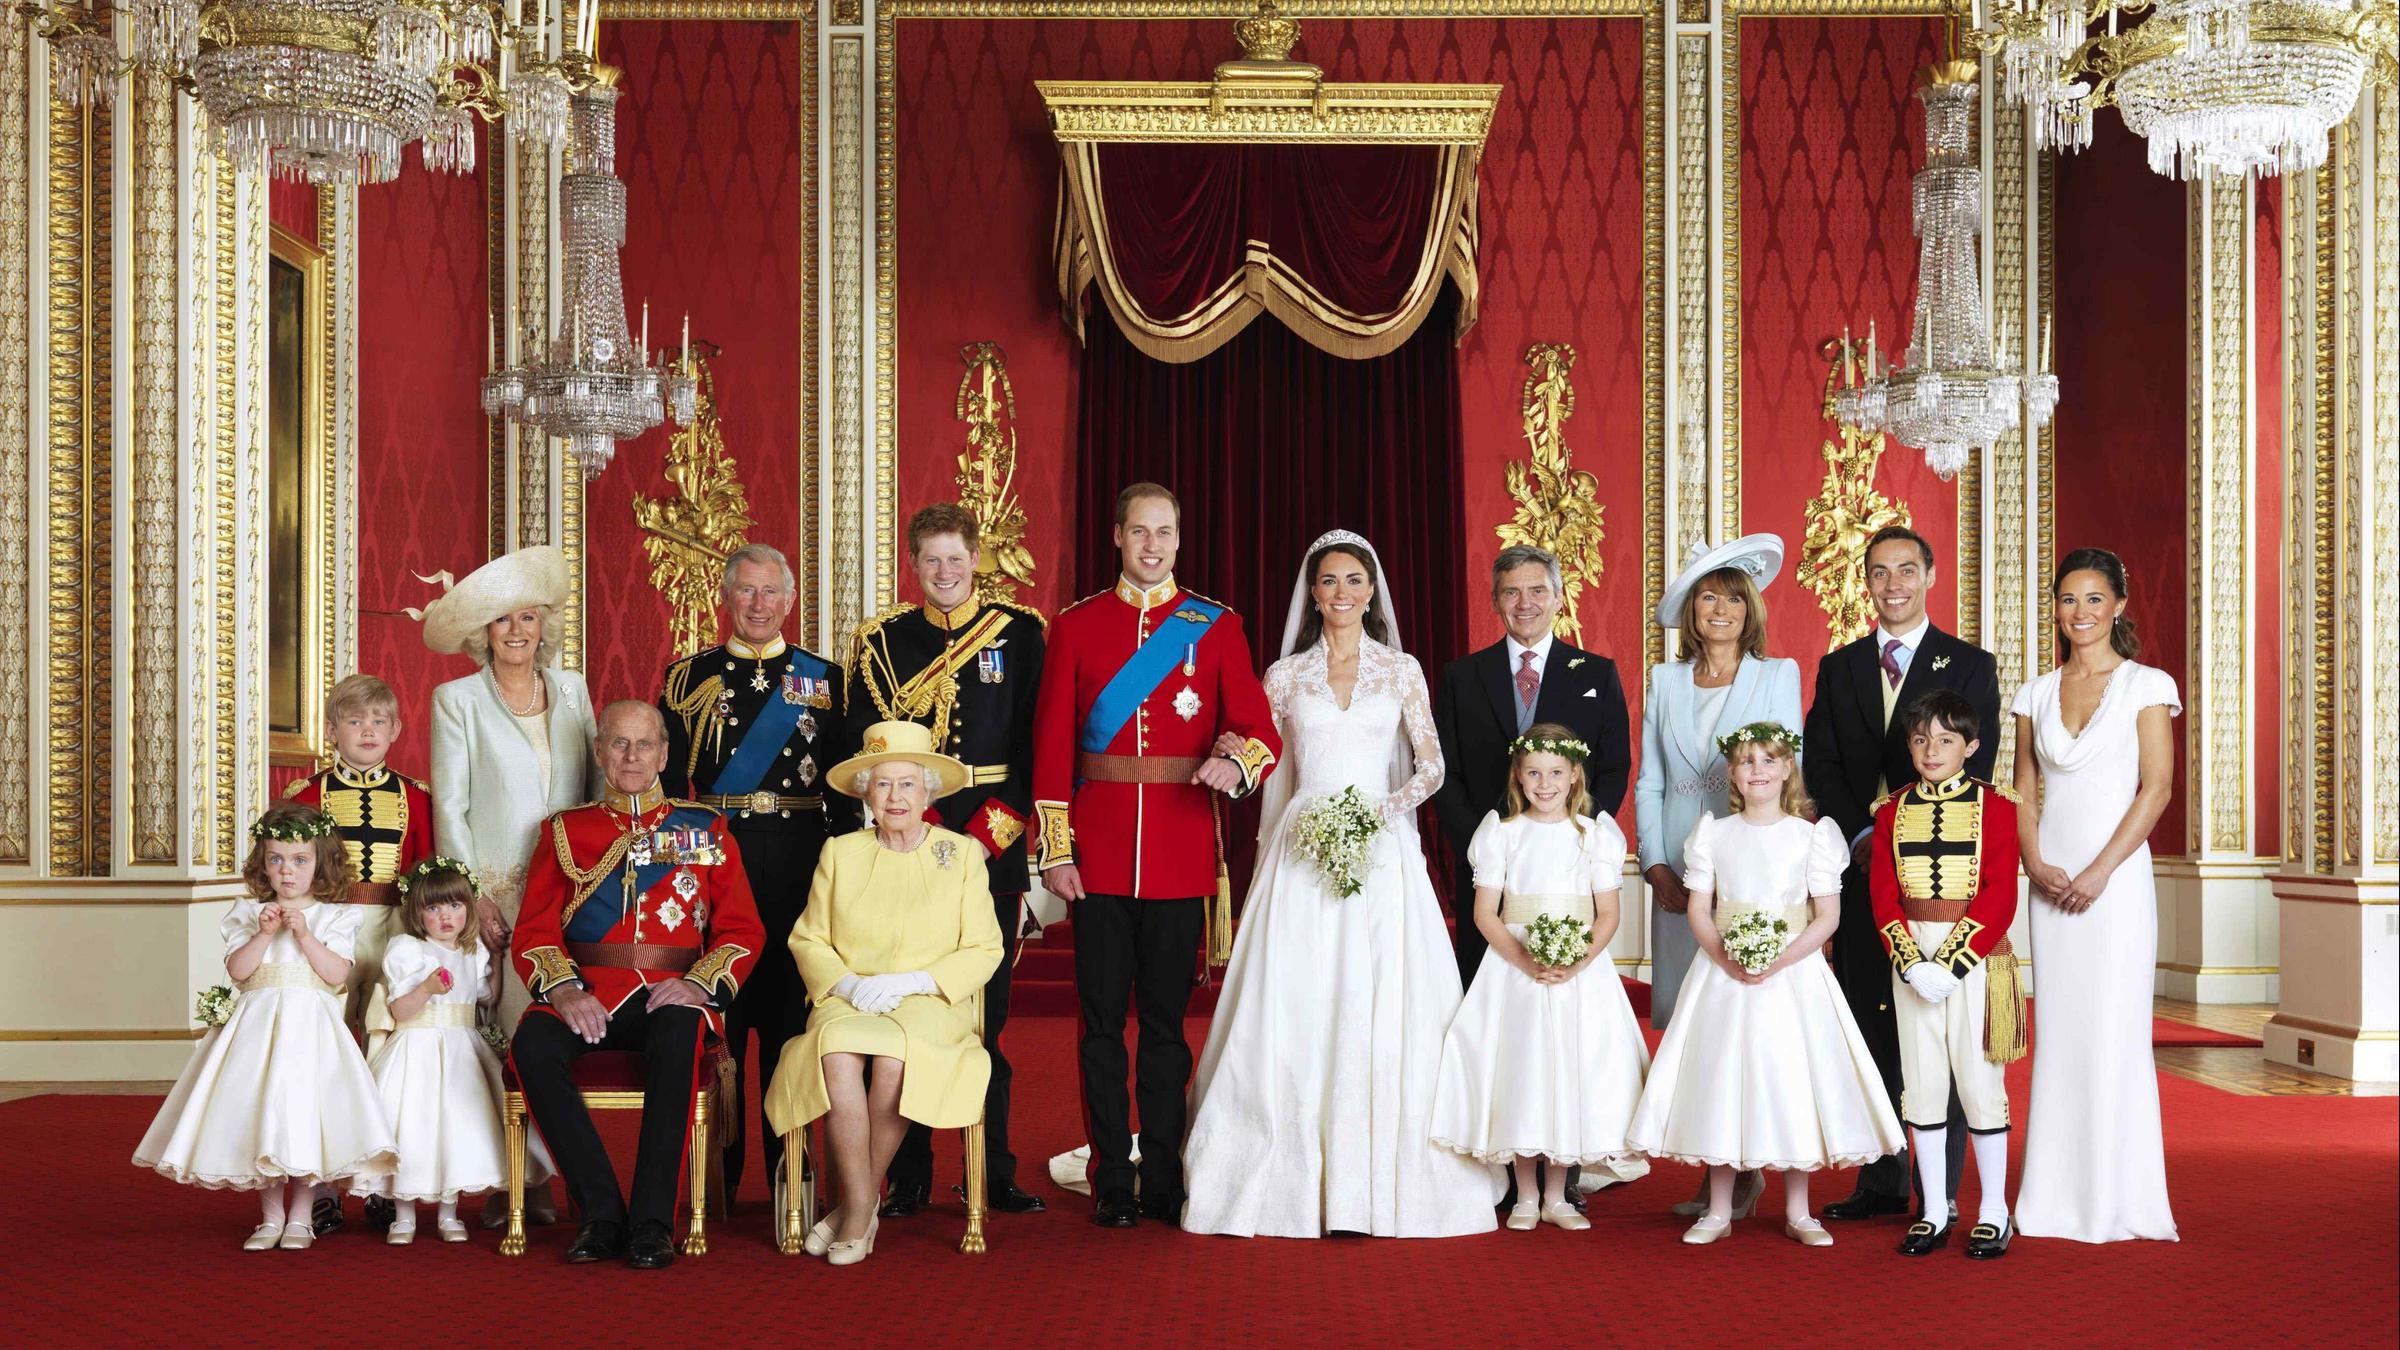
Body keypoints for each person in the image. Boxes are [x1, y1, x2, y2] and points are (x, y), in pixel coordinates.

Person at [1181, 530, 1500, 1238]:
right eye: (1329, 581)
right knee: (1296, 998)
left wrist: (1377, 813)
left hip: (1382, 848)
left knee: (1379, 999)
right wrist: (1234, 752)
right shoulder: (1285, 675)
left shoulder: (1403, 670)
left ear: (1372, 590)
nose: (1342, 593)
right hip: (1302, 848)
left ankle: (1382, 1181)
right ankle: (1283, 1178)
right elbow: (1264, 758)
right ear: (1313, 592)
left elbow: (1432, 766)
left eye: (1354, 580)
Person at [1031, 482, 1281, 1228]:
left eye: (1164, 533)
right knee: (1102, 1028)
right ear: (1117, 537)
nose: (1152, 546)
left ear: (1178, 539)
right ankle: (1112, 1178)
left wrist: (1235, 764)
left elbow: (1259, 730)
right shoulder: (1077, 626)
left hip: (1177, 856)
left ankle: (1165, 1176)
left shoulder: (1218, 626)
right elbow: (1049, 746)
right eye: (1139, 532)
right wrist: (1054, 849)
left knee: (1169, 1030)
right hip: (1098, 857)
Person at [508, 701, 766, 1270]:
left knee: (678, 1036)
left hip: (673, 992)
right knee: (533, 1043)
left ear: (664, 754)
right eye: (618, 744)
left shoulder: (704, 827)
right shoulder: (566, 831)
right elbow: (534, 931)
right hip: (588, 991)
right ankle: (601, 1213)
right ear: (599, 751)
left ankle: (652, 1223)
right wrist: (567, 991)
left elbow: (742, 928)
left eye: (643, 745)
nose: (631, 756)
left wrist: (699, 985)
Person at [1626, 723, 1904, 1248]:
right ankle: (1720, 1207)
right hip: (1723, 975)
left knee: (1791, 1080)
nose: (1759, 771)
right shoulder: (1714, 833)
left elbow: (1826, 917)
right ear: (1731, 772)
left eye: (1769, 761)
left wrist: (1778, 960)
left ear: (1787, 771)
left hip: (1792, 976)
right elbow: (1699, 909)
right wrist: (1725, 956)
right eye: (1748, 762)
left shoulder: (1811, 836)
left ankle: (1799, 1209)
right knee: (1723, 1078)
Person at [846, 504, 1048, 1219]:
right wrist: (921, 829)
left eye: (956, 560)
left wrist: (989, 835)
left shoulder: (1020, 638)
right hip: (908, 840)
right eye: (931, 560)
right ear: (913, 564)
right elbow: (868, 746)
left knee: (983, 1017)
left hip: (991, 843)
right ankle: (909, 1178)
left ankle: (991, 1169)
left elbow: (1035, 747)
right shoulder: (882, 642)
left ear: (975, 559)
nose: (945, 573)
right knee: (905, 1010)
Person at [1802, 525, 1996, 1223]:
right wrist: (1861, 833)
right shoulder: (1840, 665)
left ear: (1930, 575)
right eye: (1880, 573)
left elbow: (1977, 761)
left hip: (1937, 878)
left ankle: (1937, 1190)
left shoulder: (1970, 664)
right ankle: (1882, 1178)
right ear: (1867, 583)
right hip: (1859, 873)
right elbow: (1819, 761)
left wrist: (1899, 835)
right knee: (1870, 1021)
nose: (1893, 585)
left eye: (1906, 570)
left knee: (1936, 1023)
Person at [763, 721, 1005, 1266]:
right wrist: (848, 983)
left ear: (928, 793)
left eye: (907, 785)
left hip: (932, 1004)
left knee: (895, 1060)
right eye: (883, 785)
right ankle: (861, 1205)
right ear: (866, 793)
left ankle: (852, 1212)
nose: (895, 797)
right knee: (836, 1052)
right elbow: (809, 938)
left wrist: (914, 982)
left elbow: (985, 949)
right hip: (849, 998)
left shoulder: (960, 855)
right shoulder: (840, 852)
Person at [657, 542, 845, 1209]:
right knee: (722, 1028)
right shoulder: (688, 679)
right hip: (719, 864)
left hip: (799, 864)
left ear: (789, 600)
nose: (760, 605)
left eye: (771, 593)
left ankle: (792, 1176)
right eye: (747, 592)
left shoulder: (826, 679)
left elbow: (846, 794)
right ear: (727, 598)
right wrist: (682, 891)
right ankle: (718, 1179)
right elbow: (672, 794)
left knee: (793, 1028)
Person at [132, 803, 398, 1250]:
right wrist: (262, 934)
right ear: (263, 865)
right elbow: (239, 972)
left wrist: (305, 936)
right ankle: (270, 1217)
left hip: (312, 1033)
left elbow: (335, 975)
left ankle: (301, 1217)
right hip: (259, 1031)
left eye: (299, 860)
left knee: (305, 1115)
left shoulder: (336, 916)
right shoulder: (246, 912)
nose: (287, 871)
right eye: (276, 860)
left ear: (322, 862)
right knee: (264, 1116)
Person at [2009, 548, 2179, 1244]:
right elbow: (2022, 788)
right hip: (2049, 883)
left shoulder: (2146, 684)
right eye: (2068, 599)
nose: (2079, 613)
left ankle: (2118, 1198)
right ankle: (2050, 1198)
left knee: (2114, 1029)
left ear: (2119, 605)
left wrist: (2102, 870)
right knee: (2063, 1033)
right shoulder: (2034, 692)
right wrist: (2035, 861)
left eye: (2093, 599)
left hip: (2116, 886)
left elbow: (2157, 788)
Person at [1429, 724, 1650, 1231]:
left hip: (1579, 975)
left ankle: (1558, 1194)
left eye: (1555, 773)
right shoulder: (1501, 834)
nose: (1544, 784)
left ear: (1575, 776)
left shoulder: (1593, 836)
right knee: (1521, 1070)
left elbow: (1608, 915)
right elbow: (1487, 913)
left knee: (1570, 1070)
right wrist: (1526, 961)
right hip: (1514, 973)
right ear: (1518, 777)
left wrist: (1575, 962)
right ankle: (1525, 1193)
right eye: (1533, 773)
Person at [1870, 689, 2025, 1259]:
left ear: (1971, 746)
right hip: (1910, 962)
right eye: (1920, 739)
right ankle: (1934, 1210)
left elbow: (1999, 894)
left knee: (1982, 1087)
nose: (1931, 750)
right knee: (1924, 1084)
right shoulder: (1890, 811)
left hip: (1976, 963)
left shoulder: (1999, 806)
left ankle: (1993, 1212)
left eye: (1945, 740)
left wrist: (1952, 965)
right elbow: (1884, 895)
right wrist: (1911, 964)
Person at [1432, 544, 1632, 987]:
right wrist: (1480, 843)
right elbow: (1443, 770)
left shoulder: (1597, 674)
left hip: (1569, 864)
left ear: (1559, 597)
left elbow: (1616, 764)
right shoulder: (1462, 676)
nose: (1526, 603)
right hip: (1488, 861)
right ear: (1495, 600)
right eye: (1512, 592)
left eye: (1538, 590)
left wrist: (1581, 832)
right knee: (1486, 981)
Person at [280, 672, 436, 1234]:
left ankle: (379, 1181)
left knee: (388, 1058)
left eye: (378, 721)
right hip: (328, 932)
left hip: (394, 932)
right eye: (354, 721)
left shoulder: (417, 798)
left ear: (395, 729)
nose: (366, 731)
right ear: (333, 730)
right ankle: (320, 1184)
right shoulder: (306, 797)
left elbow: (424, 874)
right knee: (324, 1054)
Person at [424, 544, 598, 1038]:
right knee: (515, 1024)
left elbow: (596, 784)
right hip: (500, 896)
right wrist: (472, 895)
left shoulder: (572, 688)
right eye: (503, 620)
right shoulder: (458, 700)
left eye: (527, 618)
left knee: (573, 1028)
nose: (517, 631)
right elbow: (451, 809)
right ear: (485, 632)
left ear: (543, 627)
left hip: (573, 887)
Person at [1636, 536, 1801, 1028]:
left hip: (1753, 858)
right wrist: (1655, 864)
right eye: (1709, 596)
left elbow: (1794, 770)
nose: (1721, 609)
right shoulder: (1664, 680)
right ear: (1692, 610)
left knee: (1745, 1005)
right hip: (1679, 865)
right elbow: (1650, 781)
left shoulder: (1777, 675)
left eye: (1734, 597)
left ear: (1750, 611)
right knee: (1684, 1008)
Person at [357, 860, 552, 1244]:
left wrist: (495, 956)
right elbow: (399, 1011)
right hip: (417, 1049)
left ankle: (449, 1211)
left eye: (455, 906)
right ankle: (404, 1214)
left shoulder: (472, 951)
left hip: (461, 1050)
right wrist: (426, 988)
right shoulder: (408, 949)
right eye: (433, 908)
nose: (446, 916)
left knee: (456, 1127)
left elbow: (487, 998)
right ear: (417, 913)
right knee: (412, 1128)